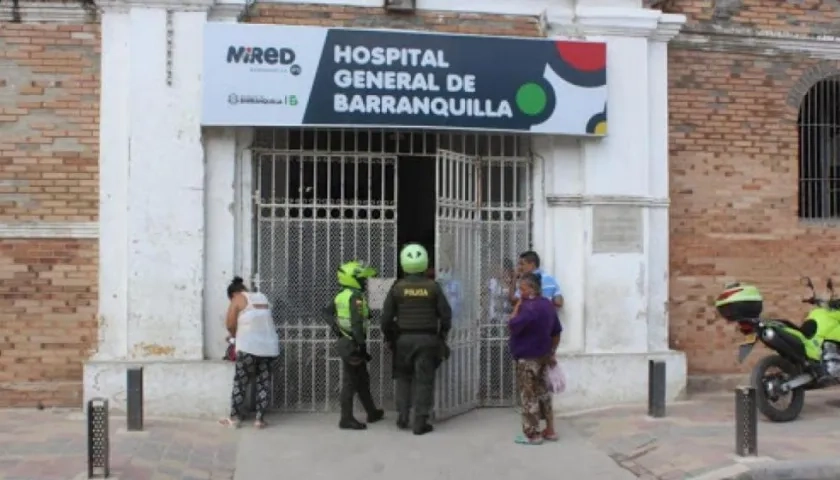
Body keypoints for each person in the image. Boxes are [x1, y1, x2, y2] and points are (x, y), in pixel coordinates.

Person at [381, 243, 453, 435]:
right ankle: (420, 421)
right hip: (427, 340)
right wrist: (442, 335)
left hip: (403, 340)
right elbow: (446, 315)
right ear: (425, 263)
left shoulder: (397, 288)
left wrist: (389, 338)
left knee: (403, 378)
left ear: (403, 263)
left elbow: (386, 318)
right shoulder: (433, 287)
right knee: (424, 380)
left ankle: (402, 417)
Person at [324, 260, 385, 430]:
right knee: (350, 382)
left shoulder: (341, 295)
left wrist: (337, 329)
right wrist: (362, 346)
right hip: (353, 344)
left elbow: (326, 313)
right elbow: (357, 323)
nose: (364, 282)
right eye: (361, 280)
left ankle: (372, 412)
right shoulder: (355, 297)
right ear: (352, 279)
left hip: (347, 341)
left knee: (362, 380)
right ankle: (346, 419)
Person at [508, 273, 562, 445]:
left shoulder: (527, 307)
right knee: (544, 393)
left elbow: (512, 324)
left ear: (531, 289)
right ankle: (550, 430)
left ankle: (533, 434)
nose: (519, 292)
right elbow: (556, 332)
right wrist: (552, 351)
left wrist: (517, 306)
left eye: (521, 288)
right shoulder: (547, 305)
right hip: (544, 356)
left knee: (528, 395)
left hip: (527, 357)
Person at [219, 276, 280, 429]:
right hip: (269, 347)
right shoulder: (262, 296)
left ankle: (234, 419)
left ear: (233, 295)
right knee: (263, 382)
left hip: (248, 348)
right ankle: (259, 420)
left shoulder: (237, 298)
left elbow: (230, 323)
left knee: (240, 383)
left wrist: (234, 335)